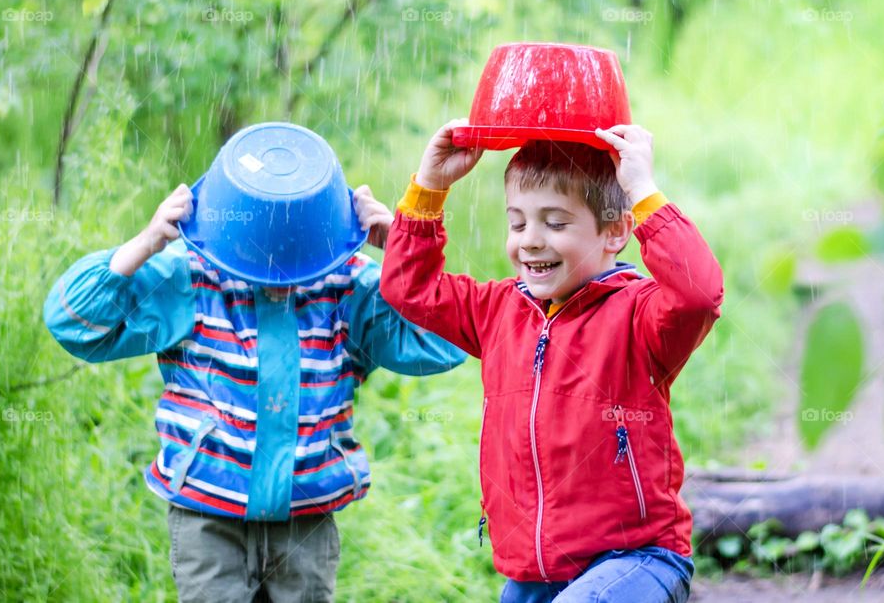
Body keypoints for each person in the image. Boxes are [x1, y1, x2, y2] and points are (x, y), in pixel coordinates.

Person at [44, 122, 466, 603]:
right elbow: (72, 321)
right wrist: (145, 244)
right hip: (209, 517)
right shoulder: (192, 277)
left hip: (305, 524)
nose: (280, 275)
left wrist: (400, 256)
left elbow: (448, 342)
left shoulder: (347, 286)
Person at [380, 119, 724, 602]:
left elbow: (699, 294)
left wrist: (641, 189)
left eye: (556, 222)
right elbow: (409, 289)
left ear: (616, 232)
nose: (531, 240)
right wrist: (430, 187)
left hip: (638, 558)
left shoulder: (640, 315)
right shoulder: (496, 310)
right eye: (517, 222)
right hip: (534, 574)